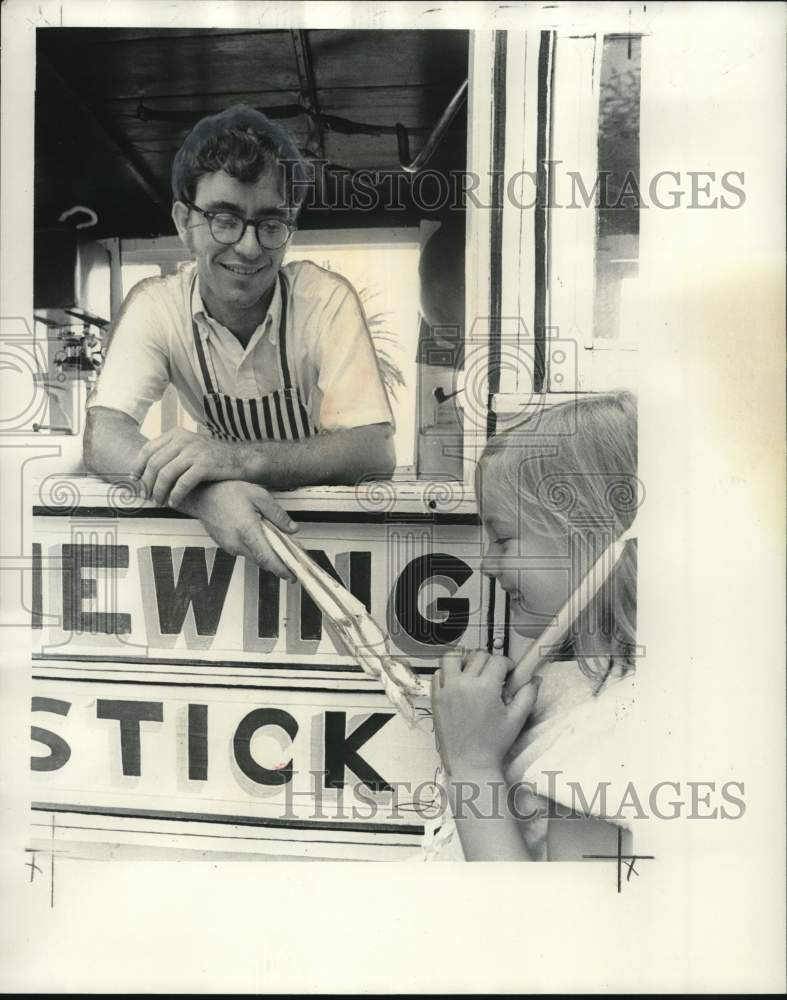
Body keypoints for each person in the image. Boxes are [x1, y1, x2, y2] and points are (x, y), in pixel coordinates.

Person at [83, 105, 395, 580]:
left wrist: (233, 460)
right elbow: (104, 437)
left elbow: (373, 451)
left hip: (320, 534)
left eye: (270, 224)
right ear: (184, 221)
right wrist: (205, 497)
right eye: (225, 220)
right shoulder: (156, 306)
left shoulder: (324, 300)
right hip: (218, 538)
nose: (249, 248)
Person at [426, 390, 639, 861]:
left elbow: (548, 925)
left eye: (503, 538)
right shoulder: (576, 681)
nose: (487, 564)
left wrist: (471, 764)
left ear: (590, 535)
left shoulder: (621, 726)